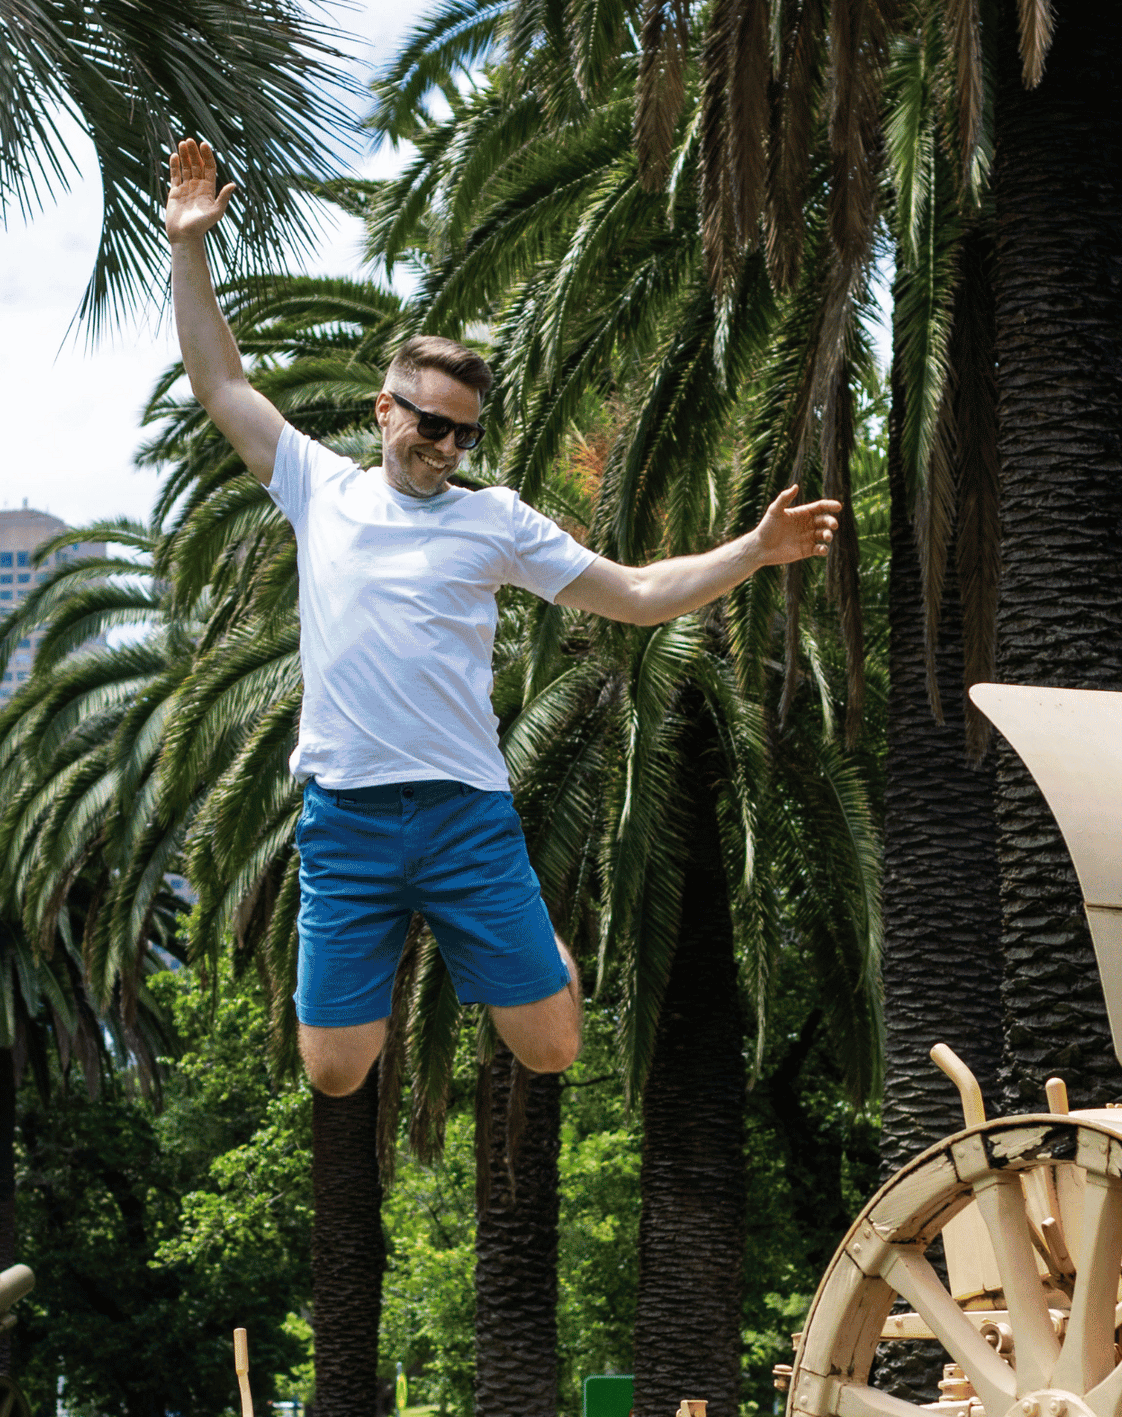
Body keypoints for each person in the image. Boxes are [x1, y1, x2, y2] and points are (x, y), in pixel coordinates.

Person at [156, 138, 843, 1098]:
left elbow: (638, 596)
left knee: (551, 1049)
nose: (445, 446)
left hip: (463, 815)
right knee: (337, 1073)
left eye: (464, 432)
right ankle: (455, 945)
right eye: (429, 424)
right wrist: (189, 246)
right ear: (384, 409)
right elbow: (222, 386)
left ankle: (534, 942)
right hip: (344, 822)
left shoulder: (496, 520)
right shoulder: (318, 486)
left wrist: (755, 551)